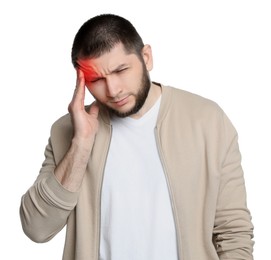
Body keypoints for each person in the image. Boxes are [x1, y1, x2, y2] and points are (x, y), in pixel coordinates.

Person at [20, 13, 254, 260]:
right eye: (96, 79)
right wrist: (81, 145)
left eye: (121, 70)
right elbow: (37, 228)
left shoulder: (207, 121)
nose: (113, 90)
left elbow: (233, 232)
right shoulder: (66, 131)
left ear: (146, 57)